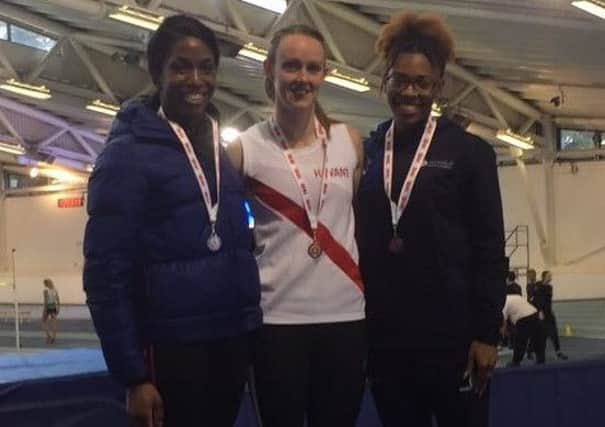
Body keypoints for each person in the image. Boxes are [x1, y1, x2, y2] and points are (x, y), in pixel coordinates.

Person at [83, 15, 261, 427]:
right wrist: (133, 377)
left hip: (229, 343)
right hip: (170, 351)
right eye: (181, 66)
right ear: (156, 72)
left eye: (206, 68)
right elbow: (107, 271)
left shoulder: (218, 150)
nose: (195, 79)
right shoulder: (126, 155)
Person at [356, 12, 507, 427]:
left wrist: (486, 334)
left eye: (422, 83)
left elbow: (490, 248)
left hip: (453, 340)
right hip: (388, 342)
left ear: (439, 86)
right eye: (400, 80)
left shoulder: (470, 153)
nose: (410, 92)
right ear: (385, 80)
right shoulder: (368, 151)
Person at [227, 24, 366, 427]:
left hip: (346, 318)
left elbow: (351, 217)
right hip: (277, 323)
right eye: (291, 66)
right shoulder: (244, 150)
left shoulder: (349, 142)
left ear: (324, 74)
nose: (302, 78)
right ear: (270, 69)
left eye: (312, 68)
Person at [502, 290, 545, 366]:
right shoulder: (515, 296)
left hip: (523, 319)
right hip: (534, 314)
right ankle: (541, 360)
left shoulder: (503, 303)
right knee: (537, 339)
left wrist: (504, 334)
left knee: (520, 342)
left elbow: (504, 322)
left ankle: (515, 362)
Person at [533, 271, 568, 360]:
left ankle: (558, 352)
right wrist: (540, 312)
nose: (551, 277)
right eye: (549, 276)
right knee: (542, 335)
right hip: (541, 314)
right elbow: (537, 300)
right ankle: (538, 354)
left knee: (554, 334)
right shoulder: (538, 286)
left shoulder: (550, 287)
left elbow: (548, 301)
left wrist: (550, 311)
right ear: (544, 276)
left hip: (549, 314)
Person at [42, 278, 60, 344]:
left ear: (46, 284)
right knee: (54, 323)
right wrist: (58, 307)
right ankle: (53, 337)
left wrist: (44, 309)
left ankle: (48, 335)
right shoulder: (55, 290)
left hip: (48, 306)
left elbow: (46, 301)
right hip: (54, 306)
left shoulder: (45, 290)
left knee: (43, 321)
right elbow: (58, 299)